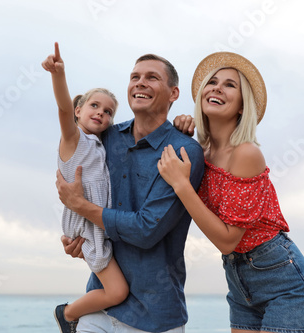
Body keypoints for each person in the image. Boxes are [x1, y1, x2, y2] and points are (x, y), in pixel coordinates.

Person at [157, 52, 304, 333]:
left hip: (284, 282)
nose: (217, 88)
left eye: (229, 85)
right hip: (238, 281)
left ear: (241, 106)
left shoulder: (246, 153)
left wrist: (182, 185)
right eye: (212, 82)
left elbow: (227, 241)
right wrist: (179, 134)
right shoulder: (200, 153)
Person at [56, 53, 205, 332]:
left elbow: (146, 230)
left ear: (174, 93)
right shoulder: (107, 136)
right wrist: (78, 239)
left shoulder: (184, 151)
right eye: (135, 77)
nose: (140, 83)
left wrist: (80, 206)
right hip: (98, 305)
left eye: (152, 77)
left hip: (152, 316)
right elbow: (80, 168)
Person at [42, 42, 129, 333]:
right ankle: (66, 314)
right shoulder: (73, 140)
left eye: (108, 112)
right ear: (79, 111)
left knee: (116, 289)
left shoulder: (99, 145)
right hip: (86, 227)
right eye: (94, 106)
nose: (101, 113)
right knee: (117, 292)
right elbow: (63, 108)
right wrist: (58, 75)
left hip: (97, 222)